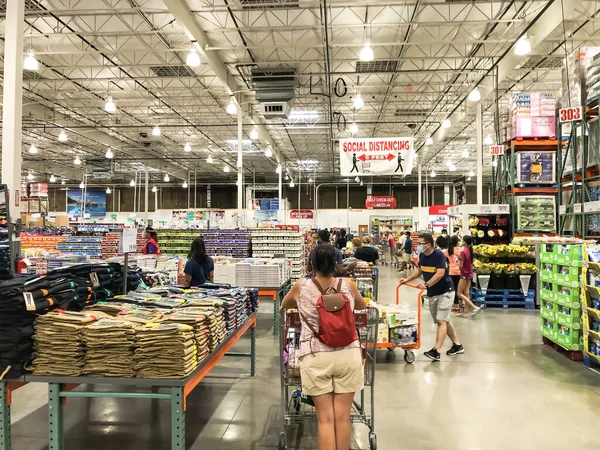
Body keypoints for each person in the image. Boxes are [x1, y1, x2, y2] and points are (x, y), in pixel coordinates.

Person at [281, 245, 367, 450]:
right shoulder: (348, 284)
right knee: (343, 419)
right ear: (337, 265)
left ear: (311, 264)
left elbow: (284, 304)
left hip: (315, 355)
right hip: (349, 353)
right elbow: (362, 306)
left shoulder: (301, 286)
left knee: (325, 420)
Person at [400, 233, 463, 361]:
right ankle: (458, 345)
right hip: (433, 293)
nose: (417, 246)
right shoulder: (422, 255)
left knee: (441, 321)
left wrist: (426, 284)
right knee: (444, 320)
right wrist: (407, 279)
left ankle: (436, 351)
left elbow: (440, 273)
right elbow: (420, 270)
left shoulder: (439, 255)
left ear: (428, 245)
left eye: (420, 244)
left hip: (446, 291)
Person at [457, 235, 481, 317]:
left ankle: (474, 307)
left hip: (463, 274)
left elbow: (461, 265)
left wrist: (457, 263)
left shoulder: (463, 252)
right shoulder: (470, 251)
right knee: (466, 293)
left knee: (459, 293)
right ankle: (465, 312)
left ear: (465, 242)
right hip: (469, 274)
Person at [445, 235, 462, 310]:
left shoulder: (448, 250)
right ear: (457, 242)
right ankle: (463, 303)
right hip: (461, 272)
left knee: (454, 289)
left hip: (451, 272)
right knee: (461, 289)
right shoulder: (462, 250)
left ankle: (456, 306)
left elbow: (442, 256)